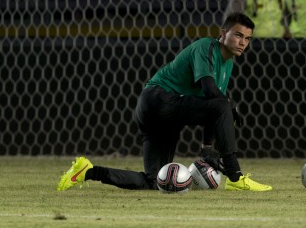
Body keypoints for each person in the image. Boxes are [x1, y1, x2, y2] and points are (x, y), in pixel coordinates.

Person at [57, 13, 273, 192]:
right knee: (224, 105)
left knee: (154, 181)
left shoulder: (228, 63)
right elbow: (209, 90)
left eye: (247, 38)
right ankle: (235, 177)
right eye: (238, 35)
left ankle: (87, 171)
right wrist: (228, 105)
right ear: (223, 33)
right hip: (157, 99)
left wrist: (207, 148)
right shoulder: (206, 46)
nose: (243, 42)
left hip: (163, 115)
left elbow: (214, 105)